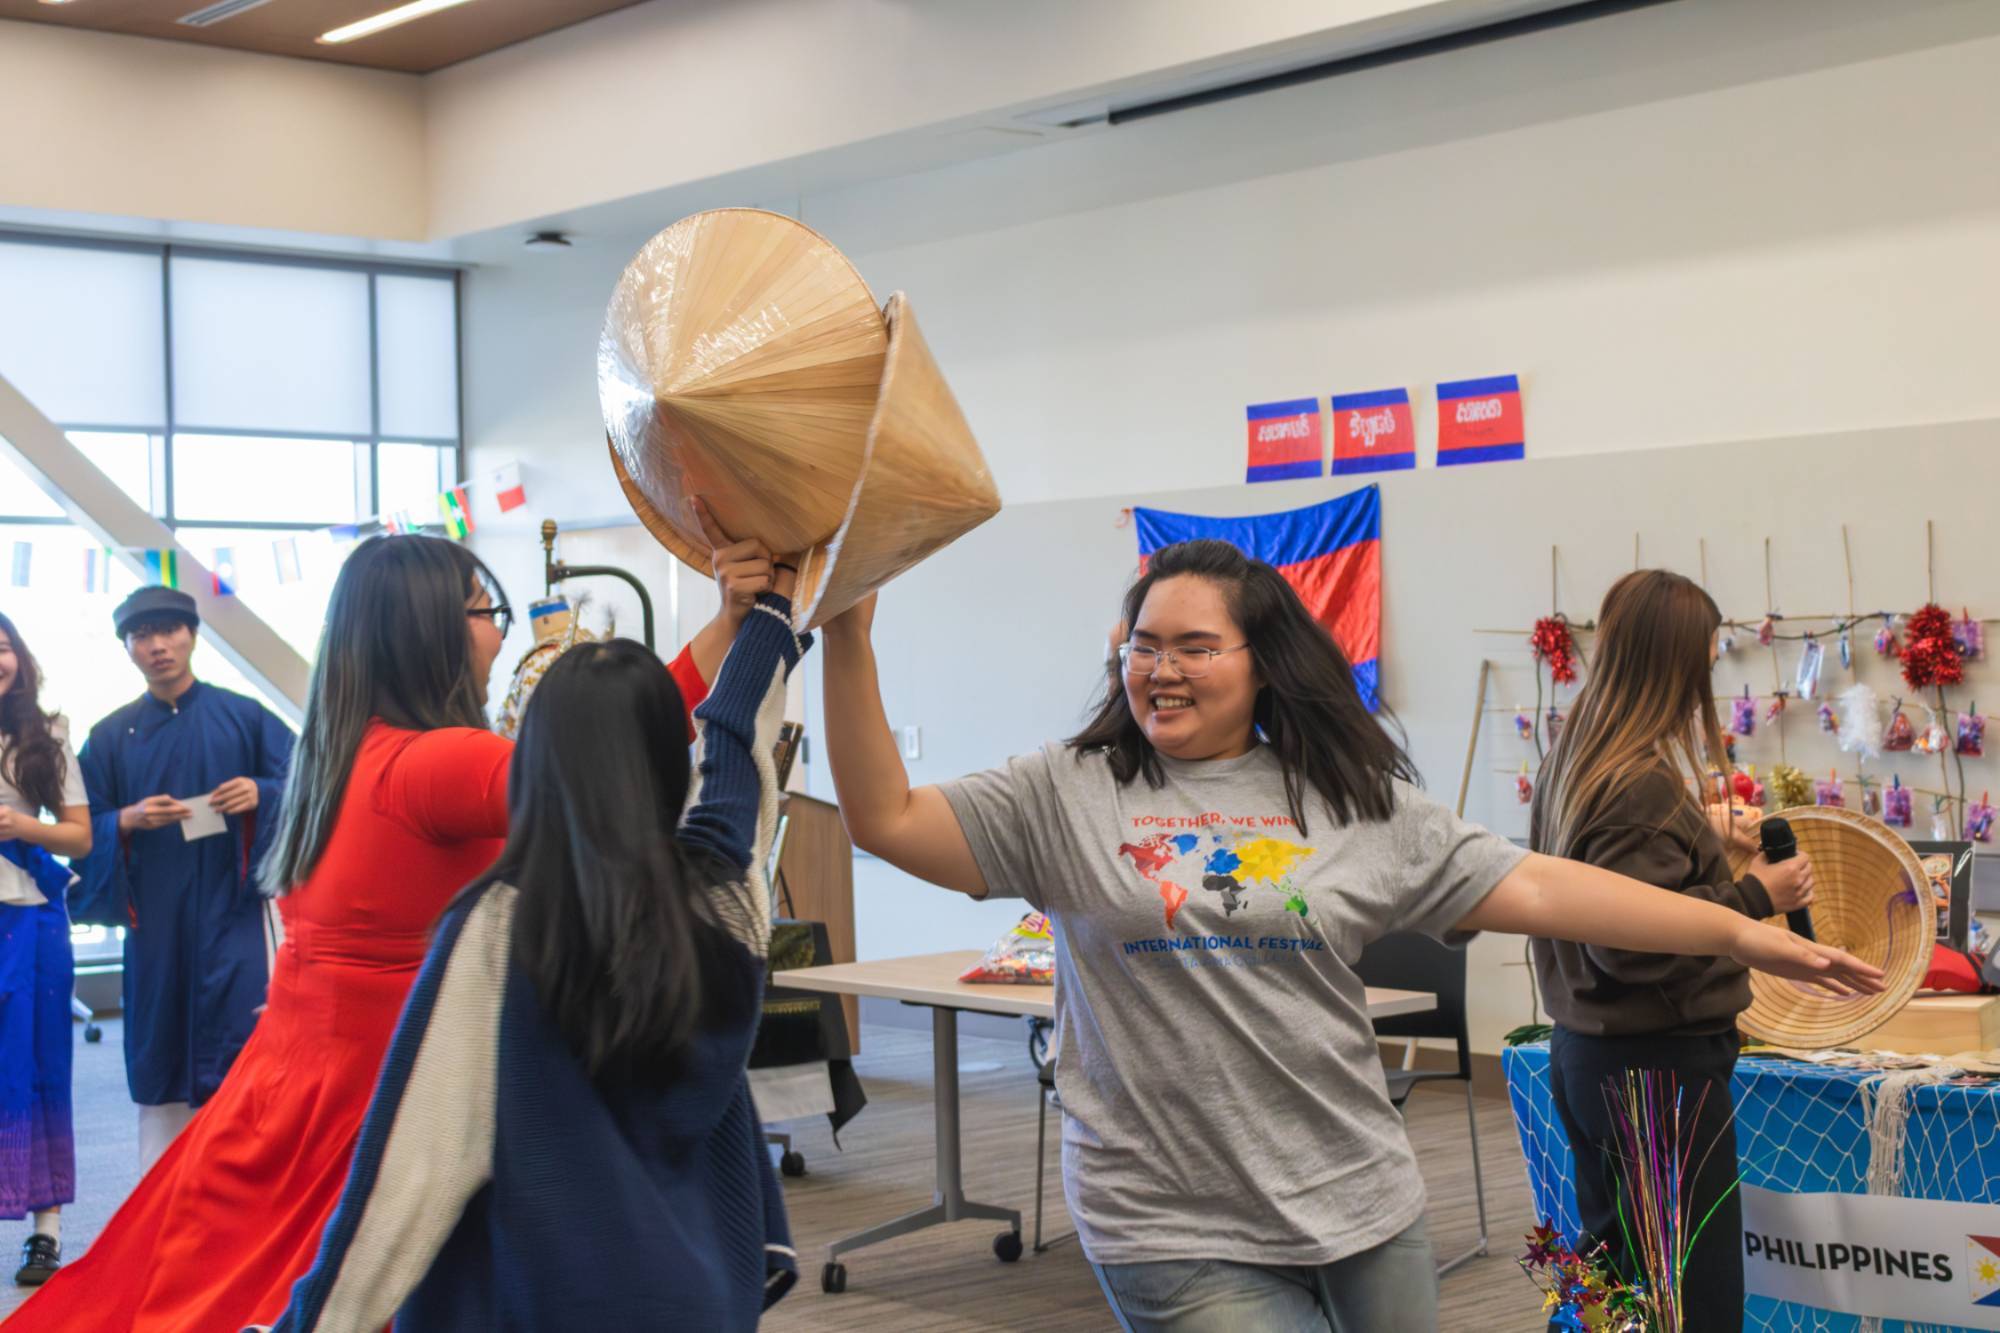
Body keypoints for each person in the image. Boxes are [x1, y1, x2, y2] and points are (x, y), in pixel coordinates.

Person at [816, 538, 1880, 1332]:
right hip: (1167, 1219)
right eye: (1143, 645)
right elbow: (887, 818)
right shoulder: (1064, 790)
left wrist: (1743, 934)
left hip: (1358, 1198)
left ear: (1262, 662)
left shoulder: (1348, 799)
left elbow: (1549, 891)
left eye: (1193, 645)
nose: (1161, 668)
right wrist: (847, 642)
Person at [11, 527, 778, 1332]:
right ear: (432, 632)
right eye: (488, 611)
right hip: (383, 1095)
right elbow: (605, 753)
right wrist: (738, 641)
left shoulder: (339, 751)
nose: (502, 632)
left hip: (289, 1087)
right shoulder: (435, 761)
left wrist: (724, 627)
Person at [262, 576, 809, 1330]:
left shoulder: (497, 925)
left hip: (541, 1304)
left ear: (536, 760)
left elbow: (410, 1174)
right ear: (664, 762)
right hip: (700, 1298)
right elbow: (737, 746)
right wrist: (777, 614)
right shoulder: (725, 900)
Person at [1531, 570, 1811, 1331]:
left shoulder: (1579, 756)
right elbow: (1634, 948)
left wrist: (1700, 838)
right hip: (1655, 1074)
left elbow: (1612, 886)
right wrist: (1756, 896)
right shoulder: (1639, 785)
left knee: (1618, 1287)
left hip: (1597, 1058)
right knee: (1687, 1300)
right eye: (1708, 662)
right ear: (1677, 665)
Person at [66, 586, 293, 1170]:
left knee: (240, 1039)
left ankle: (244, 1180)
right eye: (142, 636)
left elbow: (309, 784)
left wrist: (261, 793)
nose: (158, 646)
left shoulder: (242, 716)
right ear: (128, 649)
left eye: (170, 631)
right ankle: (161, 1191)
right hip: (157, 920)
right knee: (160, 1047)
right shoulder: (112, 736)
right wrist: (128, 819)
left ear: (192, 636)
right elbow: (81, 827)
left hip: (232, 911)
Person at [0, 613, 91, 1286]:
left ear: (20, 658)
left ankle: (46, 1229)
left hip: (30, 921)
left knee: (38, 1070)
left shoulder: (47, 733)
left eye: (0, 647)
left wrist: (20, 823)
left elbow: (81, 837)